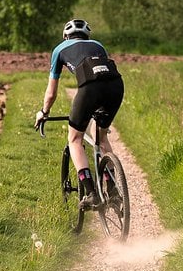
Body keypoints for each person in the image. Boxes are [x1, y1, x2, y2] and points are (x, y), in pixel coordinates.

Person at [35, 19, 125, 210]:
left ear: (65, 36)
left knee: (75, 139)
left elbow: (51, 93)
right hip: (116, 86)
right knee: (100, 136)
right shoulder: (98, 45)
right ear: (87, 36)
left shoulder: (59, 49)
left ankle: (92, 193)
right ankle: (114, 190)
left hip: (90, 89)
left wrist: (44, 112)